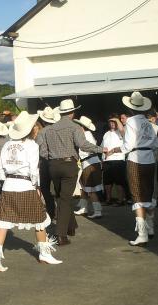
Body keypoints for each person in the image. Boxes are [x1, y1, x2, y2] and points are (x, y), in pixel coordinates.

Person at [0, 111, 62, 272]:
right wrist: (36, 187)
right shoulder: (32, 145)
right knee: (40, 220)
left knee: (3, 223)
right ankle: (44, 254)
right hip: (26, 185)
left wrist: (6, 180)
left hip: (9, 185)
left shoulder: (7, 144)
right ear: (31, 130)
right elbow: (34, 170)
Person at [38, 99, 102, 246]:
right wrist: (100, 149)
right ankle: (61, 235)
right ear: (72, 113)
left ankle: (71, 226)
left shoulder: (50, 129)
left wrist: (51, 158)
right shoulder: (74, 127)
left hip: (53, 165)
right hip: (68, 164)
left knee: (62, 197)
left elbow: (43, 151)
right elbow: (83, 145)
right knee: (65, 199)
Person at [107, 91, 158, 246]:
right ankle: (150, 228)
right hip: (149, 159)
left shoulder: (130, 122)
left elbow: (128, 145)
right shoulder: (148, 123)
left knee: (137, 196)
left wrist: (117, 149)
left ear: (130, 108)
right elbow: (156, 144)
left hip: (135, 160)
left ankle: (142, 233)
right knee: (148, 194)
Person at [73, 116, 103, 218]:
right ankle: (83, 208)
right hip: (86, 163)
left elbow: (89, 149)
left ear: (82, 126)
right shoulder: (85, 135)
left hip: (90, 163)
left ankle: (98, 210)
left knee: (91, 189)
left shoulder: (86, 135)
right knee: (85, 188)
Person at [35, 106, 60, 220]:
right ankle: (61, 211)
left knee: (45, 188)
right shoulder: (58, 131)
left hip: (45, 162)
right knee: (58, 189)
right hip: (58, 161)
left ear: (43, 120)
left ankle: (51, 211)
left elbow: (38, 148)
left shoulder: (42, 132)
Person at [101, 117, 127, 205]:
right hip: (107, 160)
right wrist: (102, 159)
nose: (112, 123)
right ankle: (108, 199)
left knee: (119, 182)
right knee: (107, 182)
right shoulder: (106, 134)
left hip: (118, 160)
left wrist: (117, 120)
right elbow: (102, 147)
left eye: (114, 122)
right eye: (111, 122)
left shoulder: (121, 132)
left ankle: (121, 200)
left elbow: (123, 131)